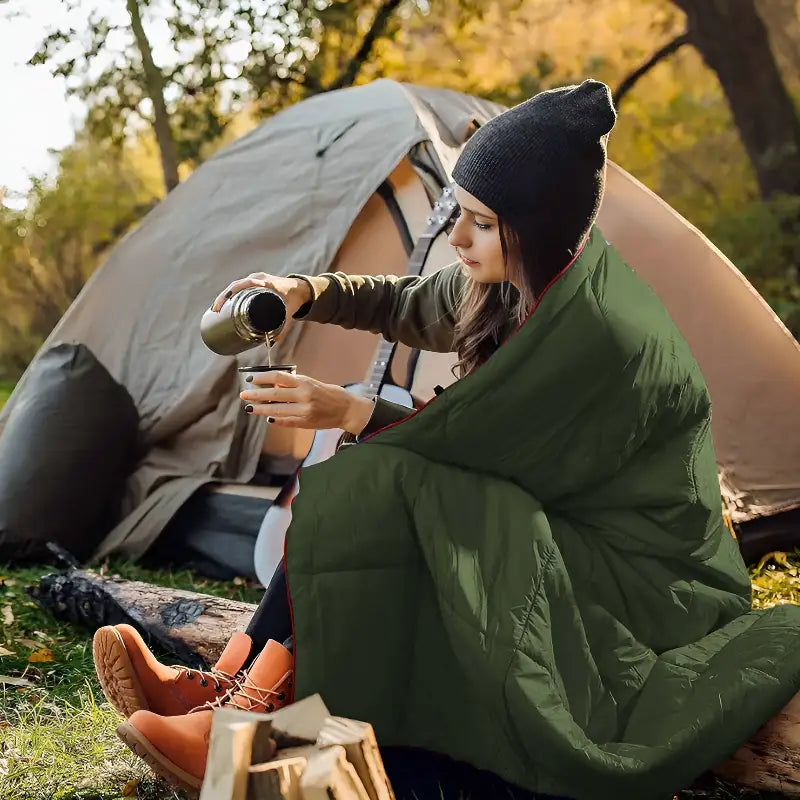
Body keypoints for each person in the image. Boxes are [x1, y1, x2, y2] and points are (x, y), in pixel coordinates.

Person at [92, 79, 794, 800]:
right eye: (458, 212)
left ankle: (251, 726)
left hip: (635, 576)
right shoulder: (510, 281)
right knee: (384, 483)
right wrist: (306, 289)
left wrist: (353, 411)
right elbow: (402, 301)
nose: (457, 237)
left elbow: (490, 458)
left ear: (539, 226)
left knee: (390, 483)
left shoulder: (605, 338)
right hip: (550, 524)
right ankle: (234, 685)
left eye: (482, 223)